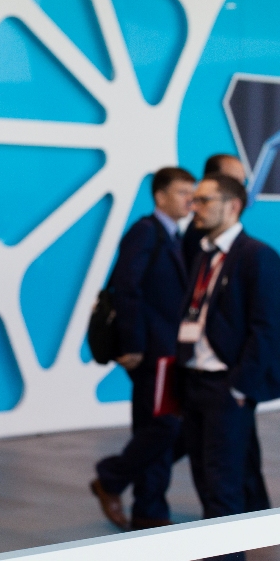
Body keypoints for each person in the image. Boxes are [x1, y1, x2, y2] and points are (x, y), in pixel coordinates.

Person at [179, 173, 280, 561]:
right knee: (205, 480)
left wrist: (240, 386)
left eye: (204, 200)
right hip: (195, 380)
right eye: (194, 200)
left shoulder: (257, 255)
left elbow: (267, 328)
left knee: (223, 487)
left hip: (227, 386)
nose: (195, 207)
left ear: (233, 206)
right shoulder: (204, 253)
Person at [89, 167, 195, 530]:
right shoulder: (146, 231)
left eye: (192, 192)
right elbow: (127, 288)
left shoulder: (175, 235)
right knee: (162, 427)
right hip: (150, 351)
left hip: (169, 350)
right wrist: (133, 345)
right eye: (182, 192)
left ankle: (149, 509)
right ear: (160, 196)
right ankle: (112, 478)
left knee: (164, 427)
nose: (190, 200)